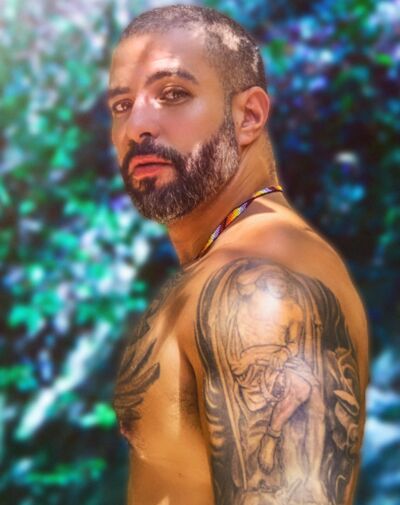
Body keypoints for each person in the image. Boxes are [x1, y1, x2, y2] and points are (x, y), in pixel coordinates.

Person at [108, 5, 368, 505]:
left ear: (248, 116)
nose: (137, 125)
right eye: (122, 104)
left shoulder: (260, 291)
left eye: (173, 94)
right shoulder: (222, 266)